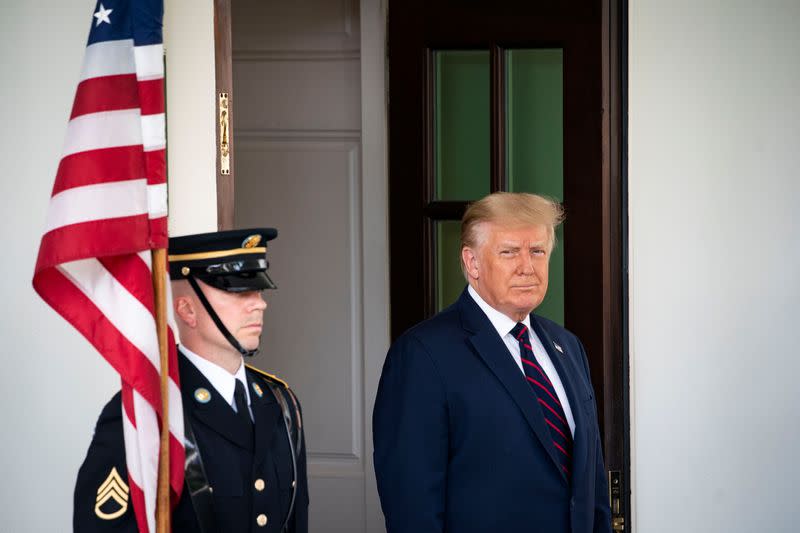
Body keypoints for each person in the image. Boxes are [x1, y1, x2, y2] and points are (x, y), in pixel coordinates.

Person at [373, 193, 611, 533]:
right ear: (472, 263)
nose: (527, 267)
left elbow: (592, 485)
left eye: (537, 251)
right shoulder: (421, 355)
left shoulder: (568, 347)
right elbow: (412, 508)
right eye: (509, 252)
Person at [74, 228, 309, 532]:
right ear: (186, 310)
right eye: (239, 291)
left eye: (259, 290)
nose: (259, 303)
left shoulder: (281, 403)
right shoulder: (148, 412)